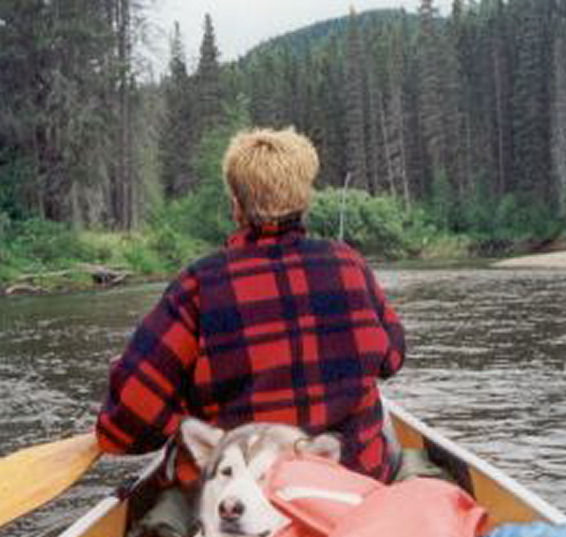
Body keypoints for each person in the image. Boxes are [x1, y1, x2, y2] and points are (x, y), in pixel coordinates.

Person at [96, 127, 405, 484]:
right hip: (347, 485)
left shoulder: (198, 285)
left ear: (236, 206)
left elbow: (124, 426)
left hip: (238, 498)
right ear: (305, 200)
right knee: (394, 449)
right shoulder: (349, 264)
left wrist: (183, 420)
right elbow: (392, 358)